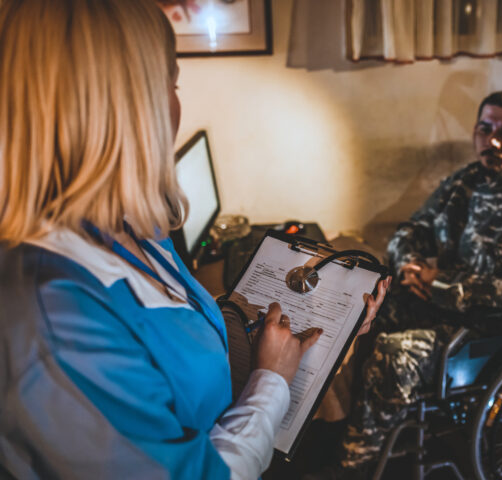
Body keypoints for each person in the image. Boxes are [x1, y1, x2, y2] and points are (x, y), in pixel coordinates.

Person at [0, 1, 388, 479]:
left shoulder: (133, 227)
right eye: (172, 82)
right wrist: (269, 381)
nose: (177, 104)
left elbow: (180, 338)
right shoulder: (55, 316)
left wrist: (328, 319)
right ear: (131, 106)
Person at [315, 91, 502, 477]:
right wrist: (407, 264)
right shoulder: (467, 183)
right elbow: (414, 229)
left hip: (497, 337)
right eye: (484, 129)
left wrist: (440, 284)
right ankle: (361, 424)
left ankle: (355, 464)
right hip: (450, 314)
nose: (492, 141)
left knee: (394, 353)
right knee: (363, 305)